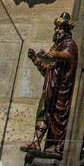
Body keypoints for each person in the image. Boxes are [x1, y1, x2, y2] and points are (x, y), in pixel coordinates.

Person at [27, 12, 78, 155]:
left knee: (56, 117)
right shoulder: (56, 47)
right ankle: (36, 142)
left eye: (60, 28)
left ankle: (56, 146)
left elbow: (68, 55)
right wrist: (35, 60)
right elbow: (47, 70)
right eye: (56, 28)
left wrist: (55, 54)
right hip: (49, 87)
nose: (57, 31)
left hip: (60, 91)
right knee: (43, 113)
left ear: (66, 30)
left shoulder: (69, 44)